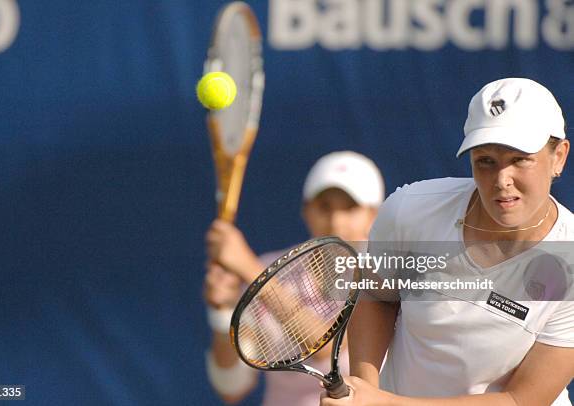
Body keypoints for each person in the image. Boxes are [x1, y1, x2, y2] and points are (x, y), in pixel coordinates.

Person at [320, 78, 574, 406]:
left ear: (559, 157)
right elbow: (377, 297)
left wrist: (383, 403)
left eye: (520, 159)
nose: (501, 180)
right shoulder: (411, 211)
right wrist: (363, 388)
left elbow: (521, 400)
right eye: (486, 161)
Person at [203, 151, 385, 405]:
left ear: (374, 215)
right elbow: (231, 388)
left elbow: (324, 349)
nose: (336, 220)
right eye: (325, 207)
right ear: (307, 211)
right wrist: (222, 314)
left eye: (350, 208)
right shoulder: (269, 268)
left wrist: (251, 271)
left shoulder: (384, 272)